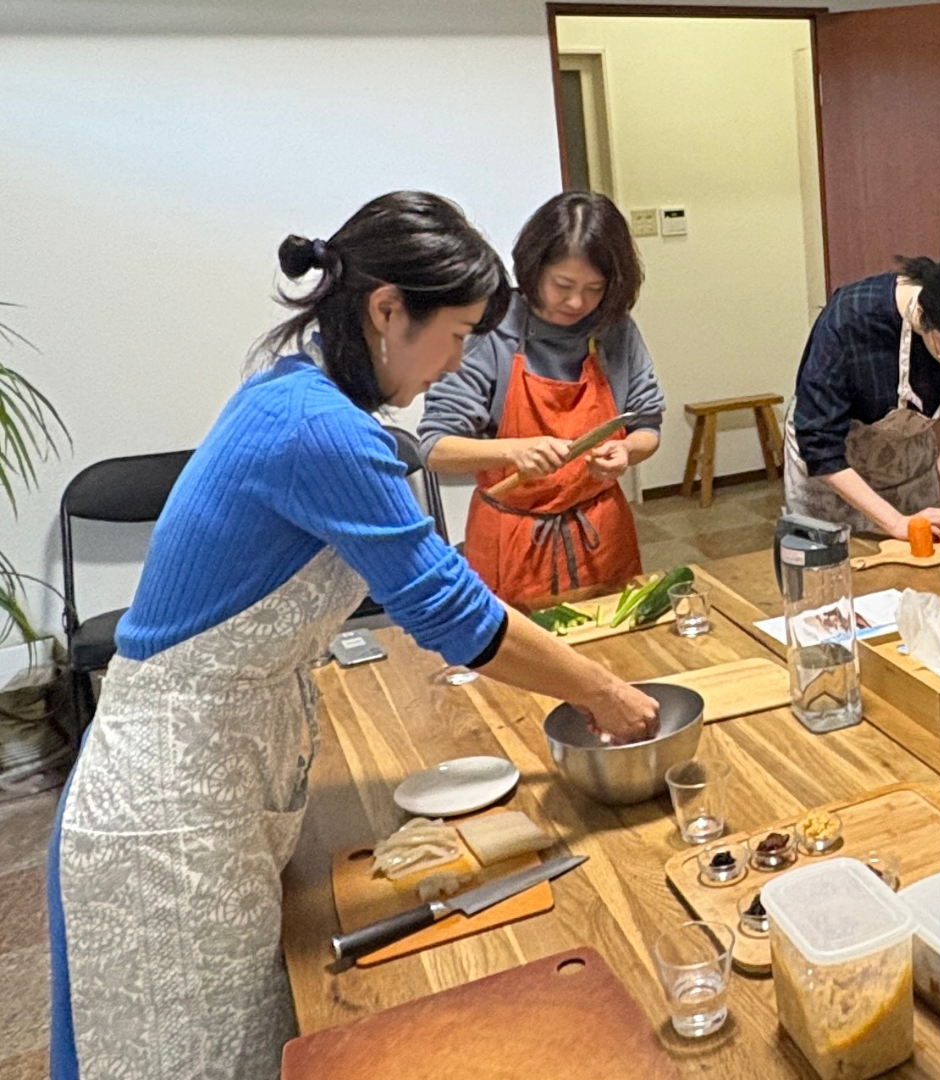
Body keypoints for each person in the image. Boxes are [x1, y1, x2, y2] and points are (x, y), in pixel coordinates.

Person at [47, 192, 660, 1080]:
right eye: (456, 334)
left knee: (253, 1031)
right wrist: (602, 691)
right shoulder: (318, 428)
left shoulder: (302, 395)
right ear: (386, 310)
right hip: (170, 800)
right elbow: (453, 611)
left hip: (217, 764)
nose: (459, 359)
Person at [420, 191, 663, 609]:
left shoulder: (614, 330)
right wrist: (514, 451)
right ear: (533, 269)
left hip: (603, 536)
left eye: (594, 289)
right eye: (562, 285)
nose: (576, 302)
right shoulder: (489, 330)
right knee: (516, 650)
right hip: (513, 543)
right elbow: (434, 448)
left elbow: (647, 426)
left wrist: (627, 451)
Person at [785, 255, 940, 539]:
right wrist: (895, 523)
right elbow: (819, 445)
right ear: (922, 316)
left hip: (908, 467)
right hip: (833, 476)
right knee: (842, 561)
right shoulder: (849, 320)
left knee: (917, 558)